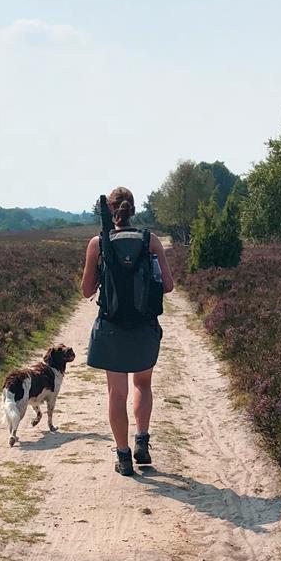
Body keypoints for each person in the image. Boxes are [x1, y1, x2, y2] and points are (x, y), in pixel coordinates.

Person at [82, 185, 175, 476]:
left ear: (111, 211)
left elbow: (86, 291)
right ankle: (142, 442)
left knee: (116, 392)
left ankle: (123, 457)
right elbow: (169, 286)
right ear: (133, 209)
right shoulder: (151, 241)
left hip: (112, 327)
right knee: (143, 385)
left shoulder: (98, 243)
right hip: (144, 327)